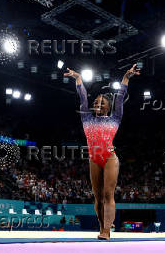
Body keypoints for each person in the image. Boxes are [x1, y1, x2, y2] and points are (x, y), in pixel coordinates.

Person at [64, 64, 140, 240]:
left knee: (107, 194)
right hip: (94, 159)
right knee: (97, 197)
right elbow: (82, 97)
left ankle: (107, 231)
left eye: (102, 102)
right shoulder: (86, 117)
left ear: (108, 106)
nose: (97, 103)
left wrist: (126, 77)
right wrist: (78, 78)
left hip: (109, 158)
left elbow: (120, 97)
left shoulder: (115, 118)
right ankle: (102, 227)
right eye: (96, 101)